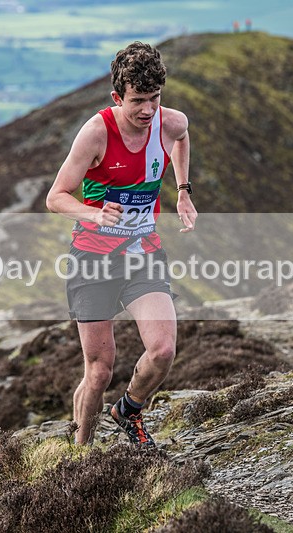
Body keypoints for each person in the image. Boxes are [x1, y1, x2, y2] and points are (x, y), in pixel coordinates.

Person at [45, 41, 197, 447]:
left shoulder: (169, 122)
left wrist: (182, 189)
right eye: (137, 101)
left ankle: (128, 410)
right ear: (118, 97)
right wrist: (93, 214)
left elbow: (182, 139)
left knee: (163, 350)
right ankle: (81, 456)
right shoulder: (96, 133)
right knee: (98, 372)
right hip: (92, 260)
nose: (147, 110)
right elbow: (56, 196)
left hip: (142, 254)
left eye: (154, 98)